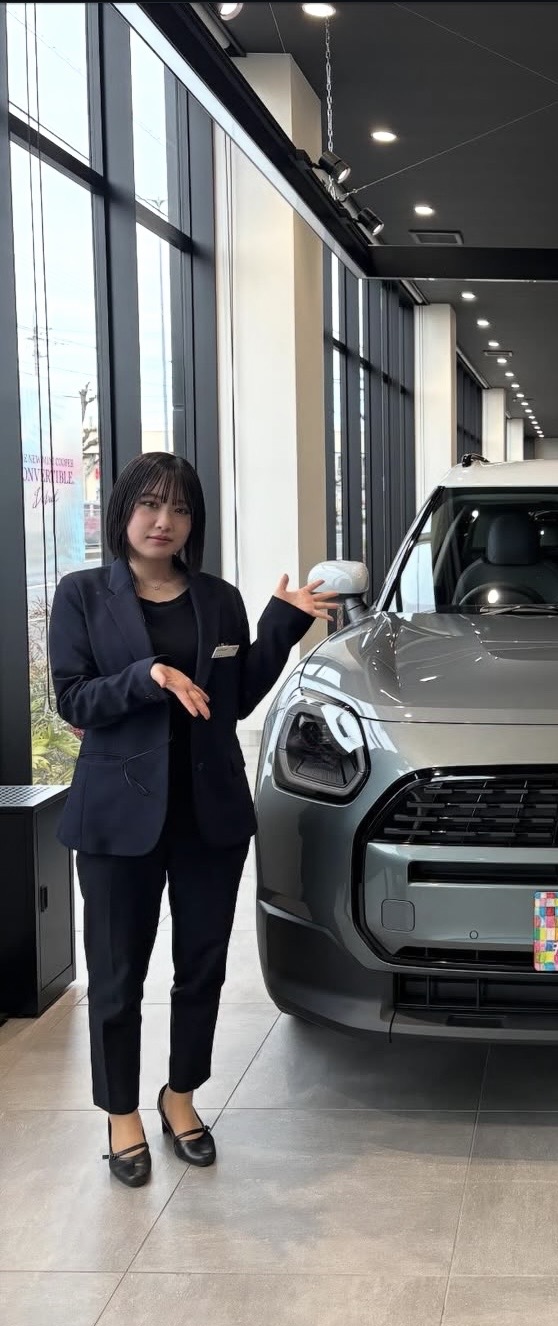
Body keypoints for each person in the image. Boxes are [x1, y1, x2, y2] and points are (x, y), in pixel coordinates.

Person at [48, 453, 336, 1187]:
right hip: (118, 819)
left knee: (201, 967)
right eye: (149, 505)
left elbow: (233, 700)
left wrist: (282, 625)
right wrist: (146, 678)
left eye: (178, 509)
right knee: (117, 974)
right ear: (123, 511)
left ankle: (180, 1097)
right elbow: (73, 698)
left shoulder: (218, 598)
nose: (163, 521)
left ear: (193, 522)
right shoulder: (83, 594)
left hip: (209, 814)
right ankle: (120, 1113)